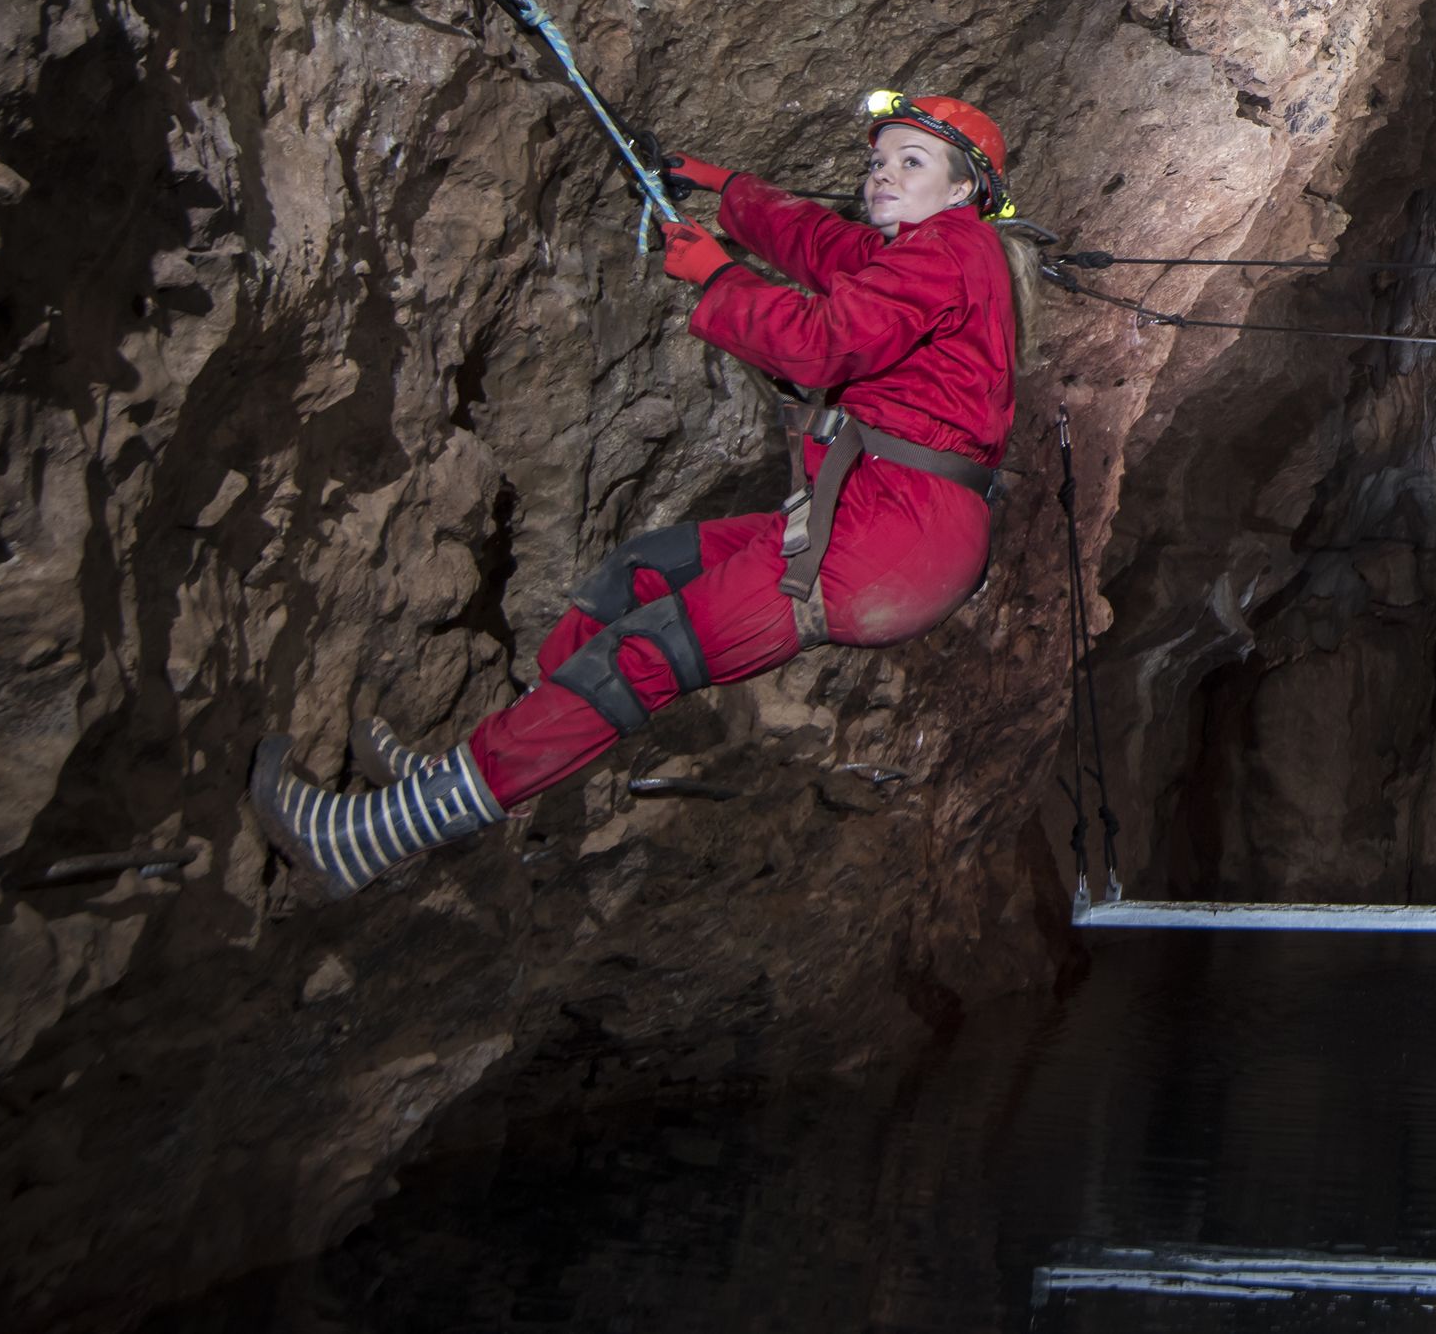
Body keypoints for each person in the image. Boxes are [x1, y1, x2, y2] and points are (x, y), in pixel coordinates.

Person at [249, 91, 1032, 897]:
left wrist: (718, 275)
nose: (881, 175)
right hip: (879, 520)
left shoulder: (951, 250)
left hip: (893, 537)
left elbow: (820, 344)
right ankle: (480, 770)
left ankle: (371, 838)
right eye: (877, 161)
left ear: (963, 188)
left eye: (911, 161)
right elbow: (818, 241)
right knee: (641, 572)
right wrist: (720, 187)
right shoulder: (920, 250)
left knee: (645, 654)